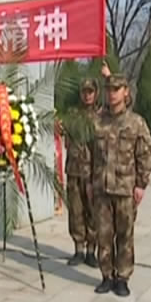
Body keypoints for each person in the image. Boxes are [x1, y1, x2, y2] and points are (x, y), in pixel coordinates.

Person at [91, 72, 151, 297]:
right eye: (109, 90)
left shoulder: (136, 122)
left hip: (125, 188)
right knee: (103, 235)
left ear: (126, 92)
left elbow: (145, 154)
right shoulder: (98, 121)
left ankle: (122, 277)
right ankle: (106, 276)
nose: (112, 94)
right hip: (101, 188)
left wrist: (141, 184)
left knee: (125, 234)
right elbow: (90, 154)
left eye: (117, 89)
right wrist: (91, 183)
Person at [64, 78, 100, 267]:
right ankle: (78, 249)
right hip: (73, 171)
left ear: (96, 93)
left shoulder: (100, 116)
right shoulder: (72, 115)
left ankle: (91, 251)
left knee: (92, 212)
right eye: (84, 91)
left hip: (92, 173)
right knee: (75, 211)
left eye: (90, 91)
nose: (87, 95)